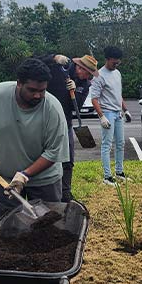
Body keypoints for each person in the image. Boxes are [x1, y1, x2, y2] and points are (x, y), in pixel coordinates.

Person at [0, 58, 69, 222]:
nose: (38, 95)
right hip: (3, 177)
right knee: (7, 224)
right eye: (32, 90)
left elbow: (53, 153)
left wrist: (24, 175)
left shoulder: (52, 108)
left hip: (44, 180)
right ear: (19, 83)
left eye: (42, 90)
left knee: (48, 225)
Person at [37, 53, 95, 201]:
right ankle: (45, 191)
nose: (88, 77)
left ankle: (65, 192)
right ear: (80, 68)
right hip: (44, 120)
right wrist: (53, 57)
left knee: (68, 159)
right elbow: (33, 62)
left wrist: (75, 92)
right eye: (88, 73)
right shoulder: (59, 68)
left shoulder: (85, 84)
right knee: (44, 156)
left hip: (65, 123)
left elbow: (76, 108)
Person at [90, 46, 132, 185]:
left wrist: (125, 110)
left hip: (118, 113)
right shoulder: (99, 75)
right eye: (114, 62)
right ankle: (107, 177)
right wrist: (102, 116)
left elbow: (118, 95)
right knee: (107, 144)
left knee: (120, 143)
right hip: (107, 112)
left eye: (118, 63)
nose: (116, 65)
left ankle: (119, 172)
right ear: (107, 59)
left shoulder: (117, 73)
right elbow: (94, 99)